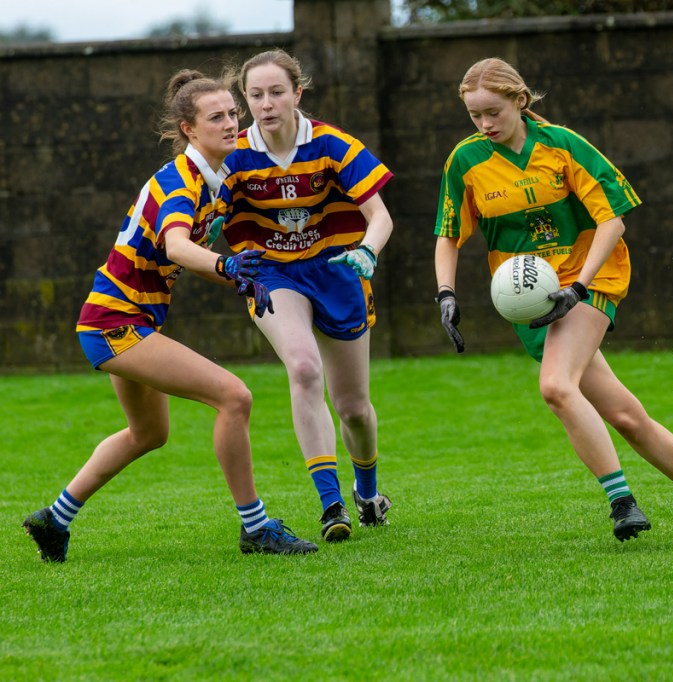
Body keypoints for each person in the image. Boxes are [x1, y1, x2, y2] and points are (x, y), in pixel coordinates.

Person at [433, 57, 673, 543]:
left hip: (591, 278)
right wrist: (446, 293)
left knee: (556, 387)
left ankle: (622, 502)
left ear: (520, 101)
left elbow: (612, 221)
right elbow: (449, 234)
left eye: (493, 112)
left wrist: (579, 287)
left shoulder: (563, 145)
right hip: (530, 301)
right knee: (625, 416)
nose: (485, 123)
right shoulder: (465, 161)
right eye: (475, 115)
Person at [22, 69, 318, 562]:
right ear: (189, 129)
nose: (231, 123)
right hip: (115, 324)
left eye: (233, 113)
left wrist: (238, 278)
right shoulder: (180, 182)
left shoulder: (210, 180)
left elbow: (182, 255)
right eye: (216, 117)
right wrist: (227, 265)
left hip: (121, 322)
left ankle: (53, 519)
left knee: (149, 434)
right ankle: (256, 528)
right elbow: (179, 247)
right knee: (234, 397)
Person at [221, 49, 395, 542]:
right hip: (272, 273)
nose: (266, 104)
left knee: (354, 408)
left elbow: (380, 217)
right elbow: (199, 214)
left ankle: (367, 494)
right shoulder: (233, 156)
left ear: (297, 93)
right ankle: (331, 505)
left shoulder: (331, 144)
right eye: (255, 95)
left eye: (277, 92)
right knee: (302, 367)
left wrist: (367, 252)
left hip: (338, 270)